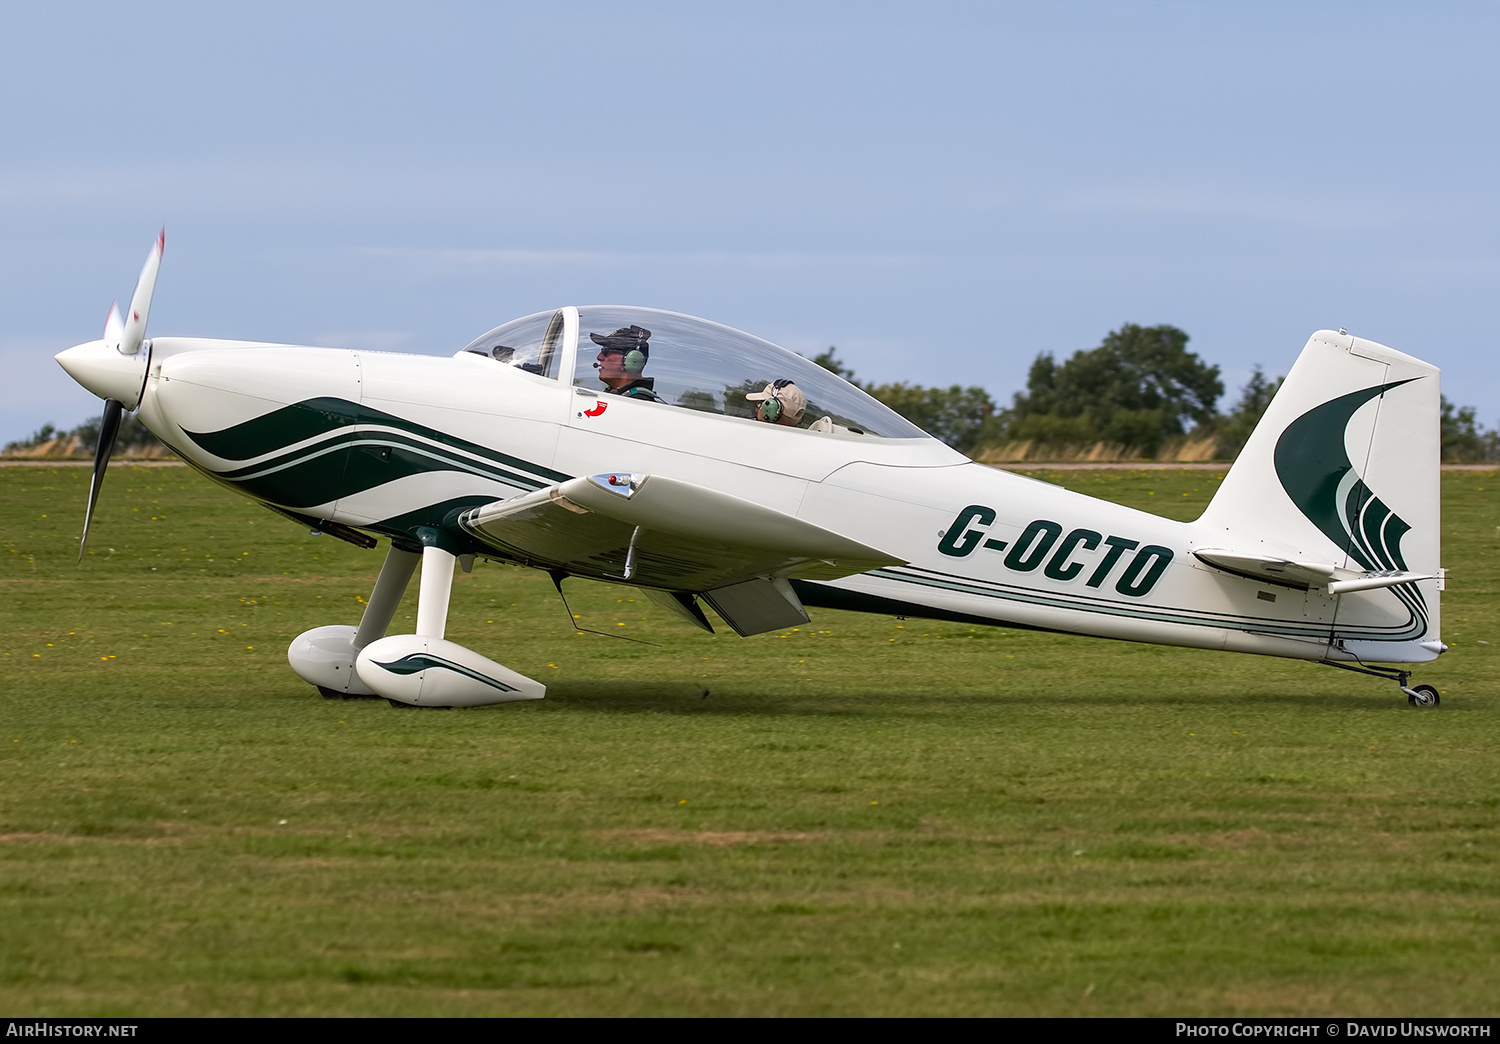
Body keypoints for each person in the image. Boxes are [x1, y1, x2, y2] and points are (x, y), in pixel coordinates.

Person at [590, 325, 662, 402]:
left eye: (606, 351)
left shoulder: (638, 405)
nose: (599, 357)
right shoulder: (621, 397)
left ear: (632, 360)